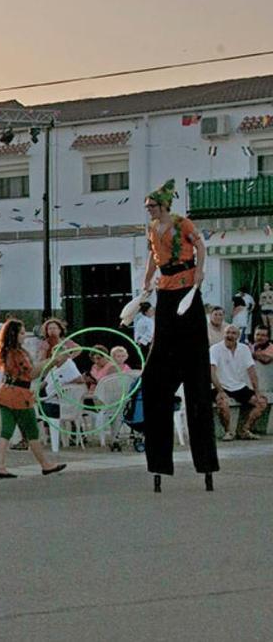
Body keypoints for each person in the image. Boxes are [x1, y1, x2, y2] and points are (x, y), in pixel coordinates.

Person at [141, 179, 218, 492]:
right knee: (154, 380)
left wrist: (200, 270)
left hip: (187, 286)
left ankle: (206, 463)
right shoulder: (152, 230)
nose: (149, 212)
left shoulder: (182, 223)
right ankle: (159, 462)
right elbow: (152, 258)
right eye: (147, 209)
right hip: (167, 292)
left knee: (196, 379)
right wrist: (146, 280)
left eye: (152, 207)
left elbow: (200, 244)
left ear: (164, 205)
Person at [0, 319, 66, 479]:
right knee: (32, 431)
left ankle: (1, 466)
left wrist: (50, 361)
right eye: (22, 333)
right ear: (14, 334)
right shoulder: (18, 354)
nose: (24, 336)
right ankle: (45, 464)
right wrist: (52, 361)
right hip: (19, 395)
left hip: (5, 392)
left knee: (6, 431)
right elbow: (32, 374)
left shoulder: (6, 352)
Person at [209, 324, 266, 441]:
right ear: (223, 334)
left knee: (261, 402)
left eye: (233, 333)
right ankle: (228, 432)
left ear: (238, 336)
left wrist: (257, 392)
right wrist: (220, 391)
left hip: (238, 386)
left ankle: (244, 430)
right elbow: (211, 373)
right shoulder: (215, 349)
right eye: (227, 333)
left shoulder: (244, 349)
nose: (229, 335)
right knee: (223, 403)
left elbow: (252, 372)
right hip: (220, 386)